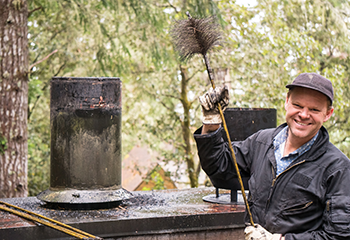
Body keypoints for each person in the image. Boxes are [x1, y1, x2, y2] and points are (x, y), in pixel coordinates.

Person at [193, 73, 350, 240]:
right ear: (287, 101)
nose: (304, 114)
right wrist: (211, 123)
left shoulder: (338, 169)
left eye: (314, 109)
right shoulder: (262, 142)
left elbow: (339, 235)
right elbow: (219, 167)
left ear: (328, 114)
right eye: (297, 105)